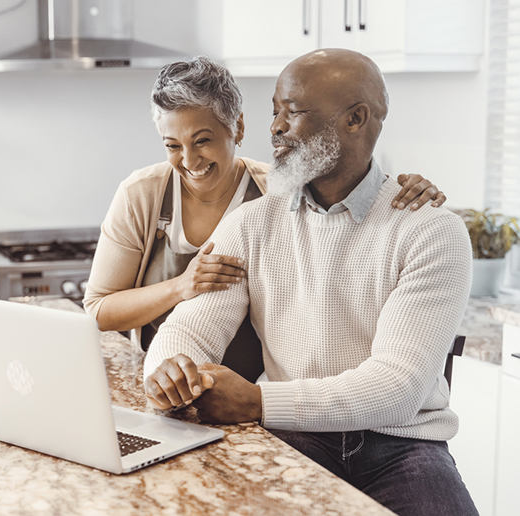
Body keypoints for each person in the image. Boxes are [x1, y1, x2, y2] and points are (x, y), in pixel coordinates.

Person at [142, 49, 477, 516]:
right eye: (274, 111)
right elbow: (192, 326)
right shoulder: (251, 224)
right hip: (294, 436)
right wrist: (167, 370)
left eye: (293, 112)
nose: (276, 127)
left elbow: (398, 388)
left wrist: (259, 402)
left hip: (401, 448)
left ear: (356, 119)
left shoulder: (430, 230)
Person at [83, 55, 446, 383]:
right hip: (167, 372)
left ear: (238, 129)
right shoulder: (143, 194)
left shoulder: (275, 194)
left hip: (254, 389)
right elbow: (100, 310)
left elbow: (345, 183)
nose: (190, 160)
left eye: (203, 140)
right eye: (172, 145)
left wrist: (396, 189)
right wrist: (181, 288)